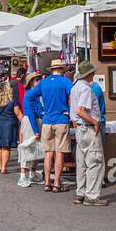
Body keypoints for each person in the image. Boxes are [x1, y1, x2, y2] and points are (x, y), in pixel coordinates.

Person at [70, 62, 107, 206]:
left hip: (80, 128)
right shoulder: (86, 88)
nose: (94, 74)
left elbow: (75, 111)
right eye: (93, 72)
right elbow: (81, 110)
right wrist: (95, 122)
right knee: (95, 161)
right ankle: (91, 195)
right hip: (88, 128)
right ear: (89, 74)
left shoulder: (75, 87)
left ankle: (81, 192)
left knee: (82, 162)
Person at [38, 58, 73, 193]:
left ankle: (47, 182)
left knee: (48, 153)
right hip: (61, 119)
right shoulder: (65, 81)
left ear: (52, 70)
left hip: (47, 120)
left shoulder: (43, 82)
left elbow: (30, 97)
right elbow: (74, 96)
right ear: (62, 69)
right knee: (60, 152)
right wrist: (68, 111)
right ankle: (57, 183)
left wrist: (41, 110)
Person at [0, 75, 23, 175]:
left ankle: (0, 166)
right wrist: (25, 122)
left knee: (0, 146)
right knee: (6, 147)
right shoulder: (13, 99)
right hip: (9, 124)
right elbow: (17, 113)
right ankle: (4, 167)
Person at [19, 72, 45, 187]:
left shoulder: (34, 96)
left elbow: (38, 110)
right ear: (31, 83)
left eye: (39, 79)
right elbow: (30, 114)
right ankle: (22, 176)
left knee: (35, 149)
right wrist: (36, 130)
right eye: (36, 80)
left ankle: (32, 174)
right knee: (28, 148)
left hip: (35, 121)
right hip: (31, 122)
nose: (39, 82)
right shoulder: (29, 95)